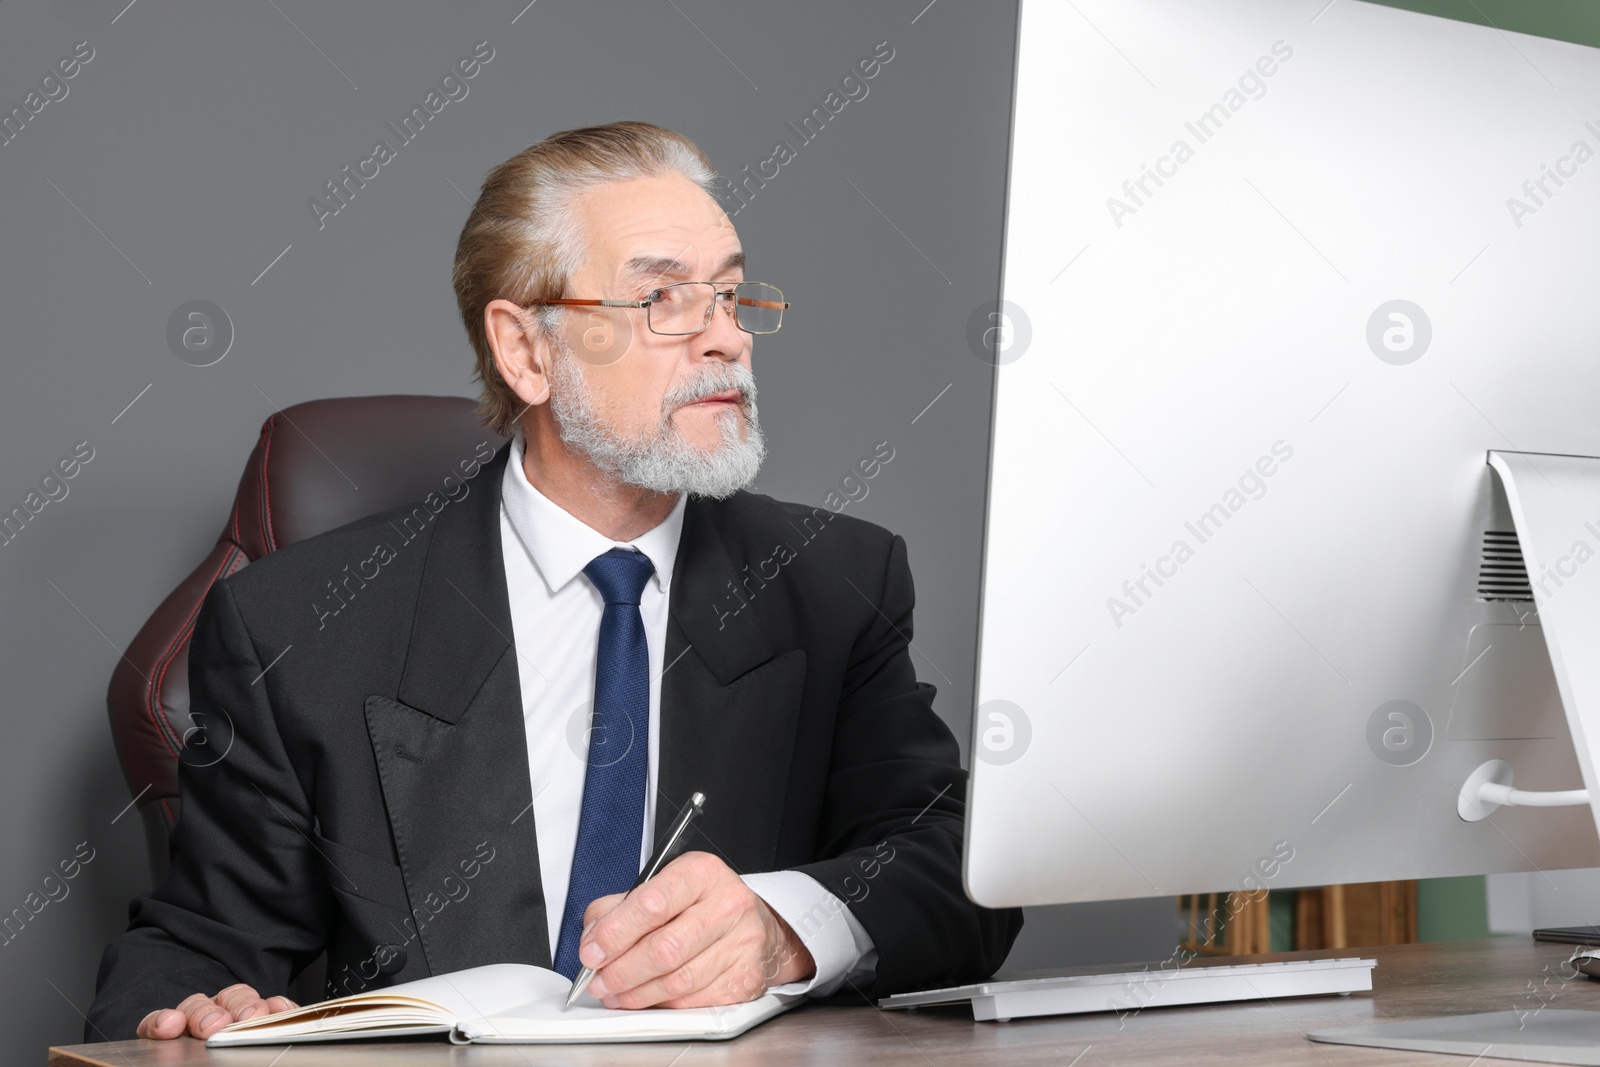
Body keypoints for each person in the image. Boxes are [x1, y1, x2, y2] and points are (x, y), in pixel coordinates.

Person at [87, 121, 1021, 1041]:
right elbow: (195, 948)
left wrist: (785, 931)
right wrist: (203, 1005)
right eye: (663, 299)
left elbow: (961, 874)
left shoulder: (832, 583)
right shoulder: (297, 626)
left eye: (731, 296)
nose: (727, 339)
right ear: (526, 350)